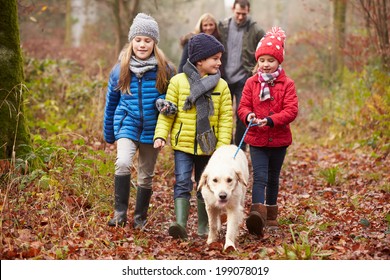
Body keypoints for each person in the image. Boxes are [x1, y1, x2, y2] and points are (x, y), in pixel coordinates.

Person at [153, 33, 233, 239]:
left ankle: (204, 226)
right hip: (183, 144)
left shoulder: (221, 85)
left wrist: (223, 148)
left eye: (219, 58)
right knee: (181, 182)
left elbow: (225, 119)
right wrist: (160, 135)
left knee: (204, 184)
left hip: (209, 146)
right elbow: (167, 112)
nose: (219, 62)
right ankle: (180, 224)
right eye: (214, 58)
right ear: (200, 60)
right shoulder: (178, 82)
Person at [103, 13, 176, 228]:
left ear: (154, 43)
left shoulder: (166, 69)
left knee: (145, 175)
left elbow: (173, 98)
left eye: (147, 40)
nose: (142, 45)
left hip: (153, 129)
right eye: (138, 40)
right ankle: (119, 213)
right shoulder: (120, 69)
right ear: (131, 41)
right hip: (127, 124)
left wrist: (164, 103)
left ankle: (140, 218)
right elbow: (111, 103)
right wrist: (108, 132)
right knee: (123, 162)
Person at [237, 27, 298, 236]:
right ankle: (257, 214)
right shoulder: (251, 83)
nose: (265, 64)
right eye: (262, 60)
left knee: (273, 178)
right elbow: (243, 106)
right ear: (257, 61)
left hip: (279, 139)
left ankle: (271, 216)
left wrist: (271, 120)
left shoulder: (287, 84)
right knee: (260, 176)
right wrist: (249, 116)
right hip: (257, 139)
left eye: (270, 60)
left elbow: (291, 110)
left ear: (278, 61)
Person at [218, 0, 265, 151]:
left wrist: (258, 68)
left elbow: (265, 49)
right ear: (233, 9)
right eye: (238, 13)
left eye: (243, 14)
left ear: (248, 11)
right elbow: (207, 35)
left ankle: (239, 148)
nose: (240, 17)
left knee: (242, 114)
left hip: (244, 78)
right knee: (223, 114)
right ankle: (226, 146)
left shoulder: (256, 30)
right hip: (223, 77)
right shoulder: (223, 27)